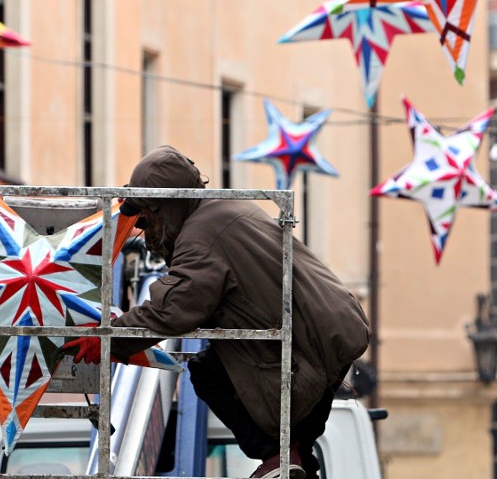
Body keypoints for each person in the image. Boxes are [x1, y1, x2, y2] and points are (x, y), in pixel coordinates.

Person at [63, 145, 370, 479]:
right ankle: (287, 463)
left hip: (312, 337)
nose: (144, 230)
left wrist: (111, 339)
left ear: (163, 208)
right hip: (336, 327)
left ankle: (274, 459)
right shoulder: (224, 210)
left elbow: (174, 310)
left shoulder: (200, 236)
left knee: (208, 372)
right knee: (295, 443)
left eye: (145, 218)